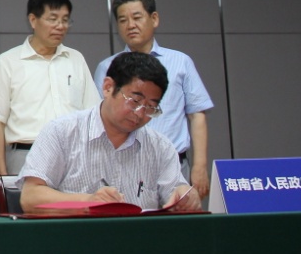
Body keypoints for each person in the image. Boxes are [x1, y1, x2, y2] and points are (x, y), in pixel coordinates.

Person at [19, 52, 201, 212]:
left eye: (150, 107)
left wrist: (185, 196)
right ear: (108, 87)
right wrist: (88, 202)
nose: (140, 114)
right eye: (134, 101)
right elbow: (30, 197)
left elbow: (177, 191)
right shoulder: (62, 132)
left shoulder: (160, 147)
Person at [93, 0, 214, 197]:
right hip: (123, 166)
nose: (130, 25)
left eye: (137, 17)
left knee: (180, 217)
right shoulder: (107, 67)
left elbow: (197, 115)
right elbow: (99, 118)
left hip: (174, 164)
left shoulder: (181, 62)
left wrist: (200, 166)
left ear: (154, 19)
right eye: (123, 20)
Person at [0, 0, 99, 175]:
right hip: (26, 154)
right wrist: (1, 176)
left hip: (75, 156)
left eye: (65, 20)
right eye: (53, 19)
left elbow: (92, 113)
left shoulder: (75, 59)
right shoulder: (7, 62)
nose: (60, 26)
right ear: (33, 20)